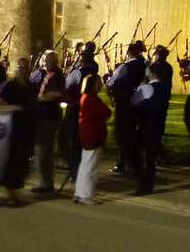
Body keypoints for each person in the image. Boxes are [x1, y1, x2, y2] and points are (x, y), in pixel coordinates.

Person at [0, 57, 36, 206]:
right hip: (11, 129)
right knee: (11, 163)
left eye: (25, 68)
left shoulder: (30, 86)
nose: (22, 71)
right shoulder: (9, 85)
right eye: (20, 68)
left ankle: (14, 193)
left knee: (22, 163)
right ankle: (10, 196)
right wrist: (14, 108)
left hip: (26, 129)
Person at [131, 63, 172, 195]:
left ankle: (144, 181)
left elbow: (133, 101)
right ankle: (149, 179)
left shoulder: (146, 88)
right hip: (159, 124)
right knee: (151, 155)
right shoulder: (165, 88)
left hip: (146, 124)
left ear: (152, 74)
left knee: (138, 151)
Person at [106, 42, 147, 175]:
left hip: (124, 102)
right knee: (132, 132)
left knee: (122, 132)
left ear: (129, 53)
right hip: (138, 101)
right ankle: (133, 161)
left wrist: (107, 79)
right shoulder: (144, 65)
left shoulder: (125, 66)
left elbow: (112, 82)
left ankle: (123, 162)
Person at [62, 42, 100, 183]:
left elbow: (66, 86)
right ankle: (79, 170)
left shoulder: (78, 72)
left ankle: (75, 169)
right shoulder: (94, 68)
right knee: (80, 141)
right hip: (87, 107)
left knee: (67, 138)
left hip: (75, 108)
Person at [28, 50, 65, 193]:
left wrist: (41, 99)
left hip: (49, 116)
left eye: (49, 60)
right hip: (42, 115)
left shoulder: (58, 76)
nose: (46, 63)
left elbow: (57, 93)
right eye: (46, 60)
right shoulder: (45, 74)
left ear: (55, 61)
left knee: (43, 150)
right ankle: (46, 181)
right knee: (43, 151)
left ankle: (45, 183)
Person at [75, 74, 111, 204]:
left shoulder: (85, 97)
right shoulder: (92, 99)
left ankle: (80, 192)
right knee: (91, 167)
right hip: (93, 134)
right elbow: (105, 113)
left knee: (85, 164)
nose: (101, 85)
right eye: (99, 83)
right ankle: (86, 195)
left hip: (86, 134)